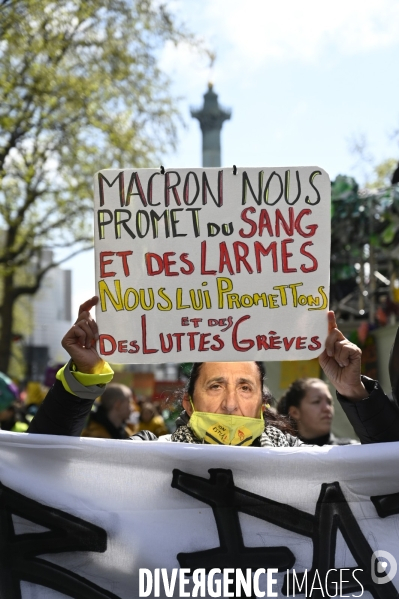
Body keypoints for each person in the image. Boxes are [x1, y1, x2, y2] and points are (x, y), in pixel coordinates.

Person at [28, 297, 399, 445]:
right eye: (216, 385)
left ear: (262, 405)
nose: (231, 405)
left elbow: (389, 476)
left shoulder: (304, 462)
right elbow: (45, 466)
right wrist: (83, 374)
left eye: (245, 388)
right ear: (188, 405)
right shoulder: (146, 456)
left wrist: (354, 392)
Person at [277, 378, 357, 446]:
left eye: (329, 402)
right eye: (316, 401)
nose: (327, 408)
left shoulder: (349, 450)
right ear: (295, 412)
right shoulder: (283, 451)